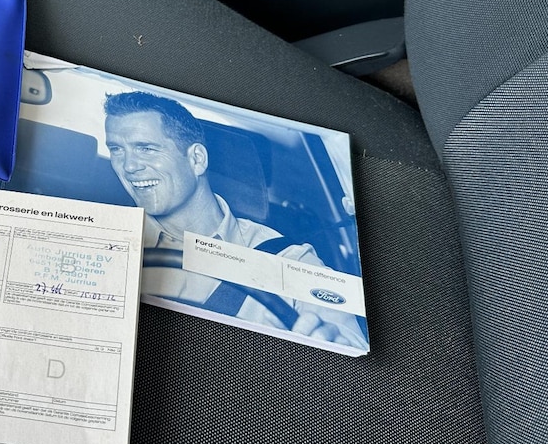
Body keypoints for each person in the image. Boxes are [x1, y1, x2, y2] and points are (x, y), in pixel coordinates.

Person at [103, 90, 366, 348]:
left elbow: (347, 342)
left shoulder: (289, 260)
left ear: (196, 159)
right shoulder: (108, 241)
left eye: (146, 148)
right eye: (116, 150)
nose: (128, 166)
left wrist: (330, 341)